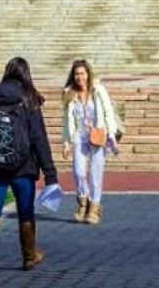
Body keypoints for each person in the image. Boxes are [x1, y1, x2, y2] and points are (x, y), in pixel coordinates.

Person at [0, 57, 59, 279]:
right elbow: (38, 138)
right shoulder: (29, 98)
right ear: (26, 74)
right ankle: (29, 256)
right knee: (25, 211)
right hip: (23, 165)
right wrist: (50, 174)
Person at [61, 59, 123, 225]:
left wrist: (112, 137)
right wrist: (66, 143)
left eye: (82, 73)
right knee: (78, 171)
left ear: (88, 74)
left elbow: (108, 112)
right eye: (76, 74)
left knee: (96, 173)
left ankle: (94, 207)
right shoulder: (70, 94)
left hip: (98, 135)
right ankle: (83, 203)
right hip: (80, 136)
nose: (79, 77)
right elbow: (66, 120)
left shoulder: (98, 90)